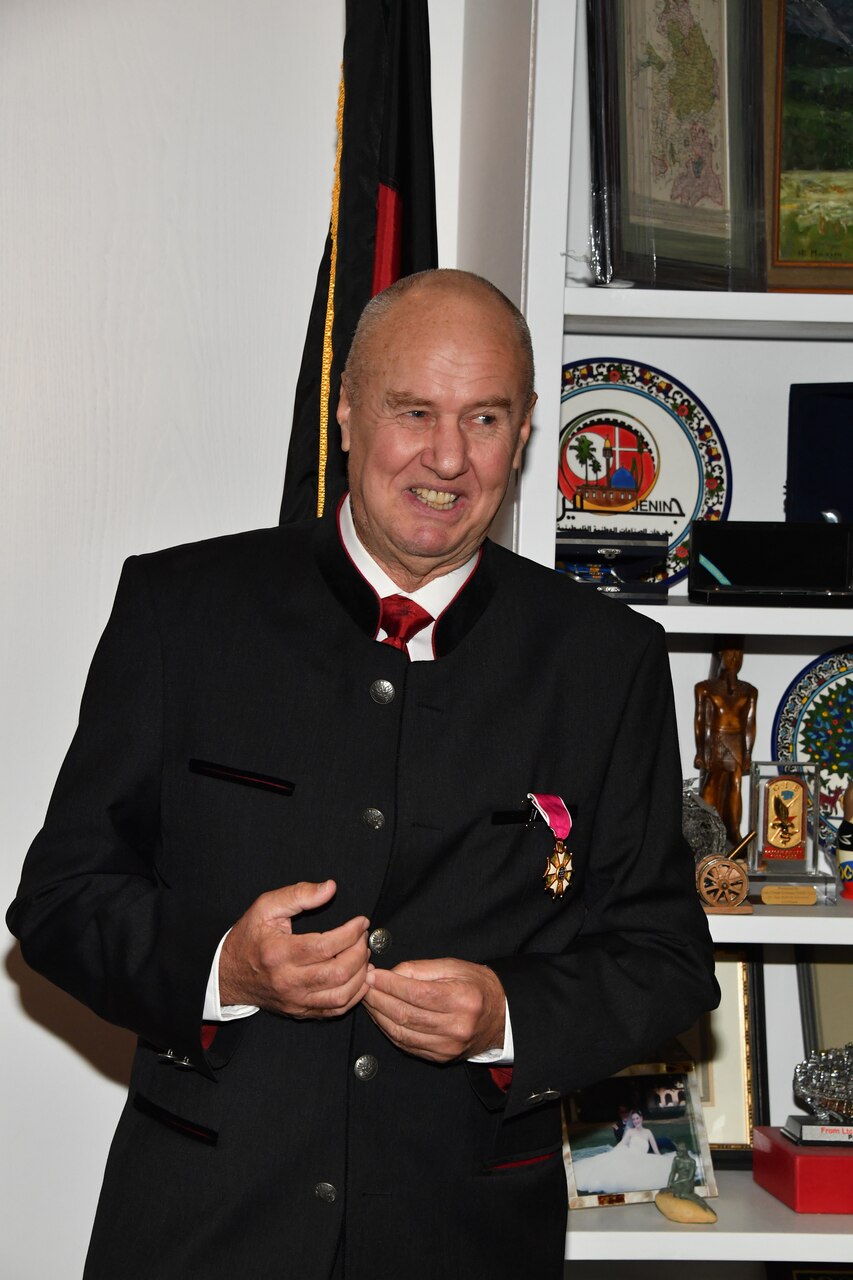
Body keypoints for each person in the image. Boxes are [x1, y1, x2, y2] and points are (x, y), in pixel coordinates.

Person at [7, 269, 718, 1279]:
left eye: (483, 418)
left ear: (520, 440)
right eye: (413, 410)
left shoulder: (605, 661)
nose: (446, 455)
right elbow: (60, 901)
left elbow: (664, 957)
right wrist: (223, 967)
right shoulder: (184, 611)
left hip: (463, 1235)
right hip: (202, 1230)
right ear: (346, 413)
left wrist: (506, 1015)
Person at [693, 646, 758, 847]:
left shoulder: (748, 691)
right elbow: (700, 721)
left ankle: (734, 832)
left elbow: (749, 724)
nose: (734, 660)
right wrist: (700, 752)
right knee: (711, 785)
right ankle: (704, 829)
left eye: (739, 656)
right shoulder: (705, 688)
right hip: (716, 740)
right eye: (730, 655)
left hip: (736, 742)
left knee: (736, 786)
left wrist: (747, 754)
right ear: (721, 656)